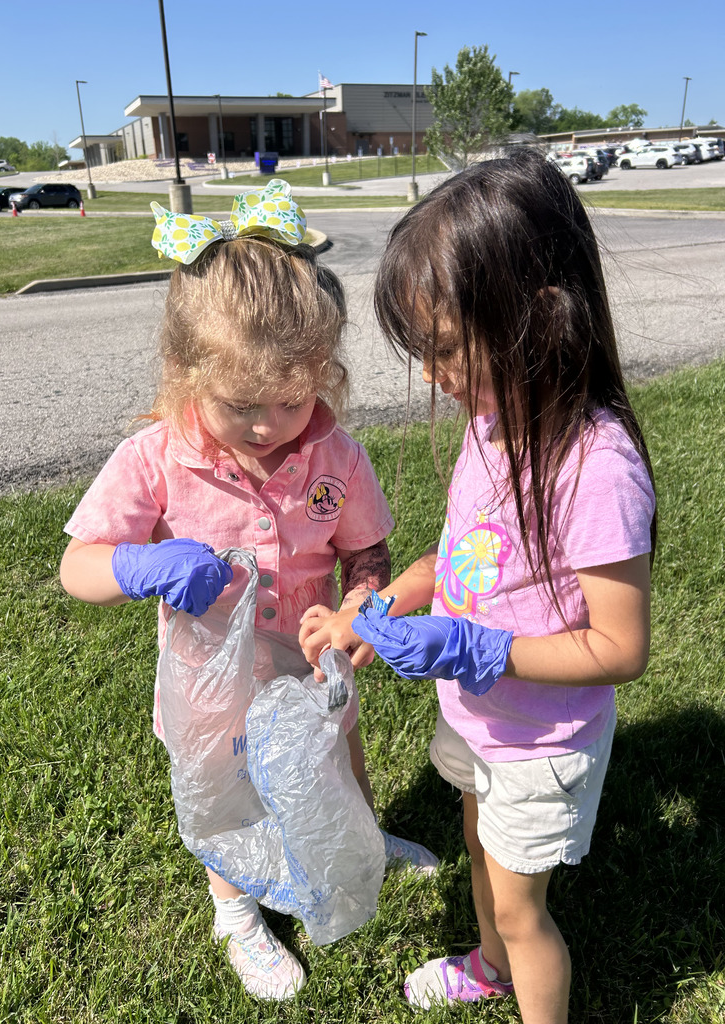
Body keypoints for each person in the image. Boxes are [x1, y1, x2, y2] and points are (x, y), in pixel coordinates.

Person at [299, 150, 656, 1024]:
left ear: (539, 317)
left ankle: (518, 974)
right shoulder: (492, 425)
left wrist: (478, 647)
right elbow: (460, 557)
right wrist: (379, 608)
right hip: (477, 718)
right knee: (476, 846)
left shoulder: (597, 465)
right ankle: (490, 970)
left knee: (518, 907)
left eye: (445, 349)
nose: (432, 375)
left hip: (542, 742)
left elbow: (621, 647)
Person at [59, 181, 437, 1004]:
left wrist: (361, 610)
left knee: (337, 758)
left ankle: (360, 838)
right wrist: (134, 568)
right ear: (185, 373)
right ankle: (235, 910)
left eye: (293, 399)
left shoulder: (335, 457)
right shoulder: (157, 456)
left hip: (309, 667)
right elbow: (77, 564)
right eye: (241, 406)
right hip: (210, 690)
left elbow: (370, 556)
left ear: (324, 376)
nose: (269, 425)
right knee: (224, 796)